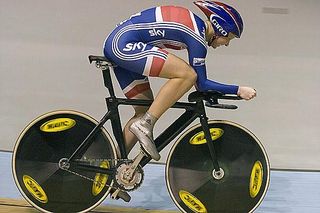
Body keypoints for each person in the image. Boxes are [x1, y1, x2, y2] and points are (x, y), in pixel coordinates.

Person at [103, 1, 256, 161]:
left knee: (144, 110)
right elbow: (201, 84)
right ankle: (145, 124)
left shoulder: (196, 27)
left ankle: (114, 166)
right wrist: (238, 90)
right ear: (220, 29)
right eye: (228, 38)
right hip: (123, 45)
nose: (227, 44)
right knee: (187, 75)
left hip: (118, 43)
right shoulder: (197, 36)